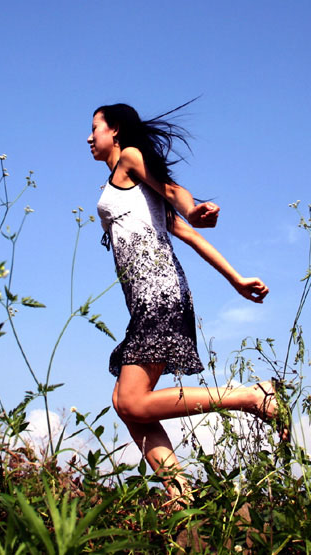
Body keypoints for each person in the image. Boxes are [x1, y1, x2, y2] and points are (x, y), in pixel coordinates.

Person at [88, 102, 288, 504]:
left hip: (158, 293)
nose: (90, 137)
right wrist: (236, 279)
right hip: (151, 298)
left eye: (96, 128)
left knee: (131, 400)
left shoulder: (130, 158)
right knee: (127, 405)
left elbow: (178, 194)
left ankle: (254, 397)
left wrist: (194, 209)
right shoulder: (128, 188)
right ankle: (181, 497)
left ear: (117, 132)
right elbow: (189, 236)